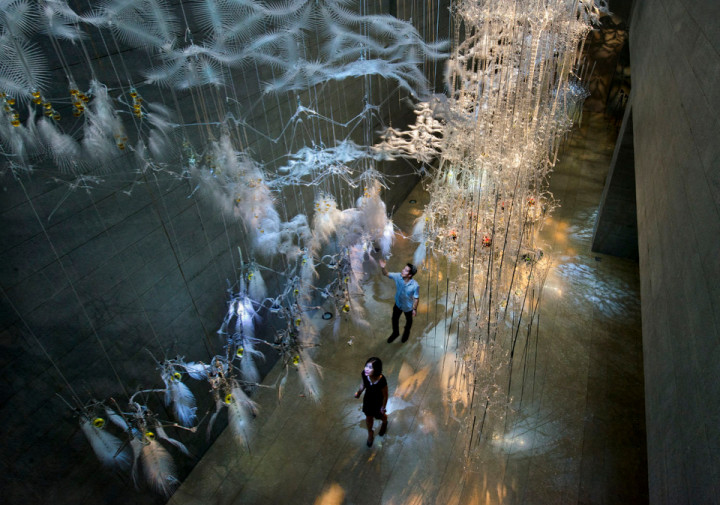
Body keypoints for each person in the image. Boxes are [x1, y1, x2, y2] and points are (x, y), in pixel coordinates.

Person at [378, 258, 419, 343]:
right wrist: (383, 268)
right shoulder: (398, 276)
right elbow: (386, 274)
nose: (403, 271)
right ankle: (395, 333)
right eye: (404, 269)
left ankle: (406, 334)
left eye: (406, 270)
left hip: (408, 307)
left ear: (410, 275)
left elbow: (416, 298)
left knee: (409, 322)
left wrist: (414, 309)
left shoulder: (415, 286)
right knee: (394, 319)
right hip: (398, 304)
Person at [354, 357, 388, 447]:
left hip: (378, 403)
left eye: (370, 368)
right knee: (368, 418)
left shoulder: (382, 381)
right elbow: (363, 384)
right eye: (366, 366)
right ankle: (370, 432)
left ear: (376, 370)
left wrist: (383, 407)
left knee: (381, 416)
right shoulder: (365, 374)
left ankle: (385, 423)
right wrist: (359, 392)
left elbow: (385, 395)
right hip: (368, 400)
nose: (366, 369)